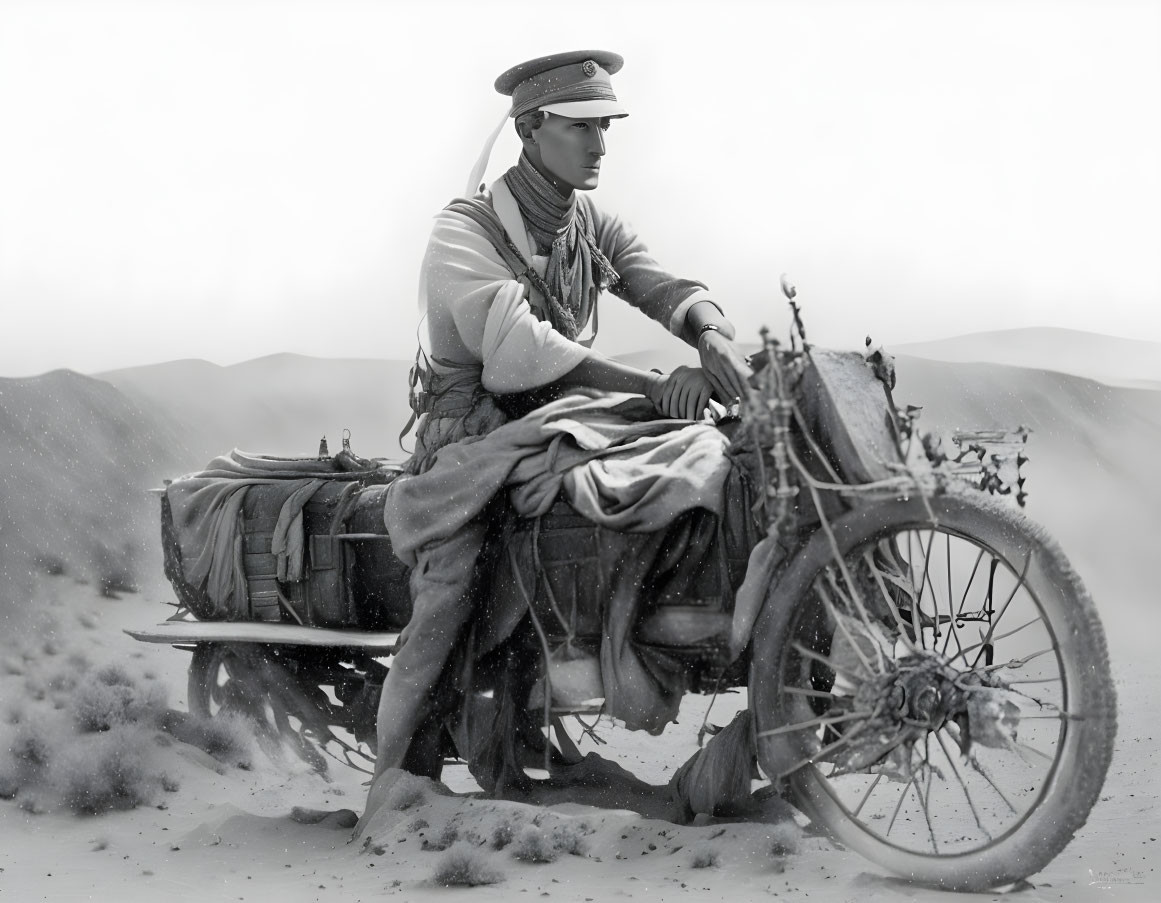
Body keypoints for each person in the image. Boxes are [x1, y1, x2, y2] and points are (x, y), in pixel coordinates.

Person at [368, 50, 753, 793]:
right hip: (471, 445)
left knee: (687, 465)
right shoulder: (464, 233)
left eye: (604, 128)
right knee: (454, 581)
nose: (599, 147)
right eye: (581, 129)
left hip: (563, 426)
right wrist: (649, 385)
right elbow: (519, 353)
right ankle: (400, 775)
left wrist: (707, 334)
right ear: (528, 129)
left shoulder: (587, 222)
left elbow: (658, 281)